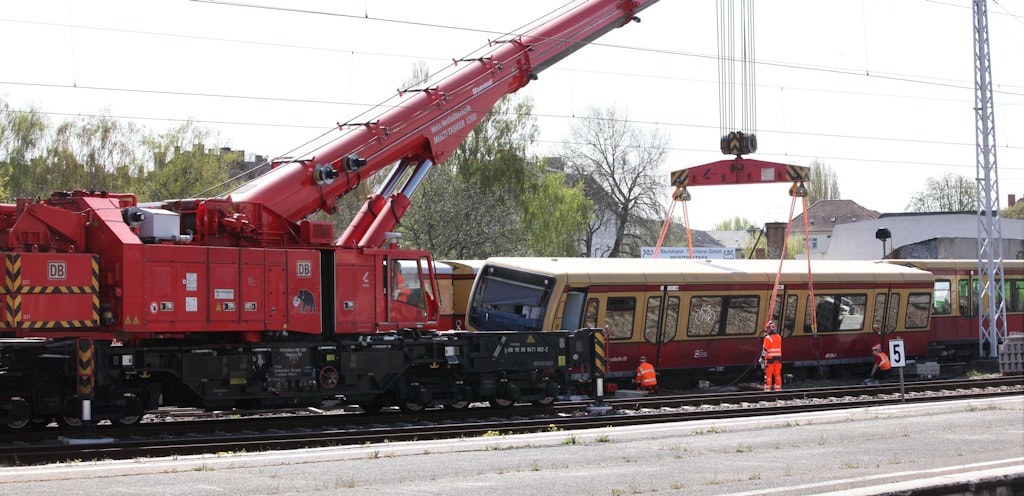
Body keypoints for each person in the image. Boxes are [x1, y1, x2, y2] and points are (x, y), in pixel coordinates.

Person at [762, 320, 783, 391]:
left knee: (768, 375)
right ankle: (778, 389)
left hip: (770, 360)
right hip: (779, 359)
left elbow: (765, 350)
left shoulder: (767, 338)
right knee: (777, 374)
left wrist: (761, 358)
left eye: (767, 329)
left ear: (768, 329)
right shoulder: (779, 337)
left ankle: (767, 390)